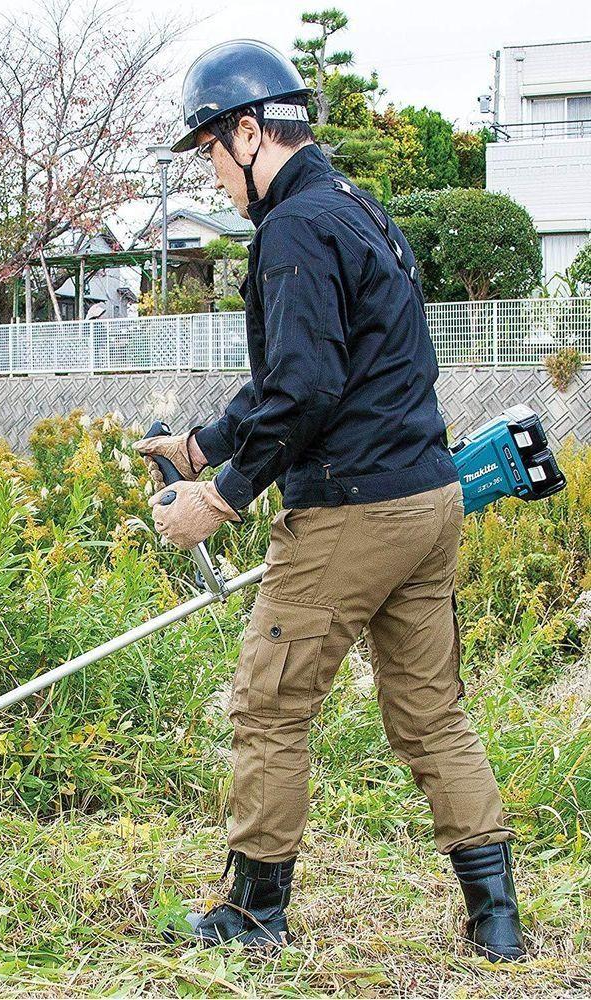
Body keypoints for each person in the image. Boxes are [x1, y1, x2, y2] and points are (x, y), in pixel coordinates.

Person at [134, 38, 525, 962]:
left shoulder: (292, 229)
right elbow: (312, 375)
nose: (215, 176)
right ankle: (498, 925)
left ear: (248, 130)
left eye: (211, 152)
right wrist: (202, 445)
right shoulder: (351, 207)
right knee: (432, 714)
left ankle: (253, 915)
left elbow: (306, 393)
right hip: (427, 500)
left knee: (268, 709)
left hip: (352, 512)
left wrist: (216, 500)